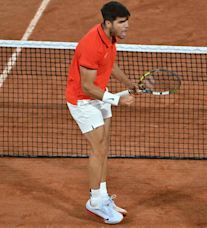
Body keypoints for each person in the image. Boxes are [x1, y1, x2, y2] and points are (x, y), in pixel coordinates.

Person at [65, 1, 138, 225]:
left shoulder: (110, 39)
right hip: (84, 102)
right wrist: (117, 99)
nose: (126, 26)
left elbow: (110, 65)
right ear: (108, 23)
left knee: (104, 147)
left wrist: (129, 83)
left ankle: (103, 196)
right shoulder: (91, 44)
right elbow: (87, 86)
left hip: (99, 96)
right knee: (97, 150)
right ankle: (95, 203)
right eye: (121, 22)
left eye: (127, 21)